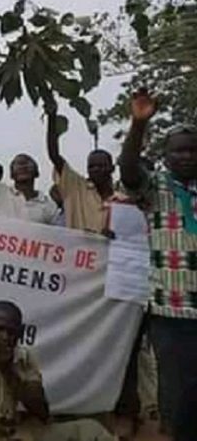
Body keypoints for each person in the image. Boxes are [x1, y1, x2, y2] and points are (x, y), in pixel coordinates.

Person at [118, 89, 197, 437]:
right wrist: (138, 124)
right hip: (170, 314)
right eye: (178, 150)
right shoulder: (155, 189)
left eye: (192, 149)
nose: (186, 156)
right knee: (177, 398)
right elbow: (129, 169)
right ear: (165, 155)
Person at [0, 300, 114, 441]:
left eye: (11, 331)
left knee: (90, 430)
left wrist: (8, 370)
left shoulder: (24, 358)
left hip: (16, 434)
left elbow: (41, 412)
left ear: (21, 332)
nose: (4, 336)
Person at [45, 104, 118, 233]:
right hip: (78, 252)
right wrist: (52, 116)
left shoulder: (123, 201)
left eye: (101, 166)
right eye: (91, 166)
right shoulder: (77, 188)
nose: (95, 169)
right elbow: (54, 155)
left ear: (112, 168)